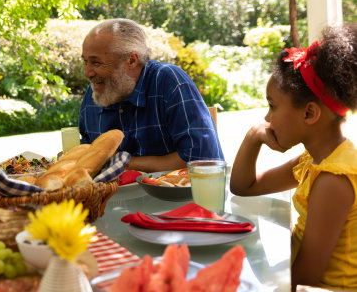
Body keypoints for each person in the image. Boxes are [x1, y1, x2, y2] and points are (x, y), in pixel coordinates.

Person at [230, 25, 357, 291]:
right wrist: (254, 136)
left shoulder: (334, 178)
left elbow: (304, 280)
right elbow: (244, 187)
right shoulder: (313, 159)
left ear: (309, 114)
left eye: (273, 106)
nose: (267, 118)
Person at [78, 19, 223, 173]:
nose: (87, 73)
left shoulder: (170, 82)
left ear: (132, 60)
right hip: (112, 197)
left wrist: (124, 162)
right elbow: (87, 154)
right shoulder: (95, 92)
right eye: (85, 62)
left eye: (96, 63)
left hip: (174, 196)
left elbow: (202, 160)